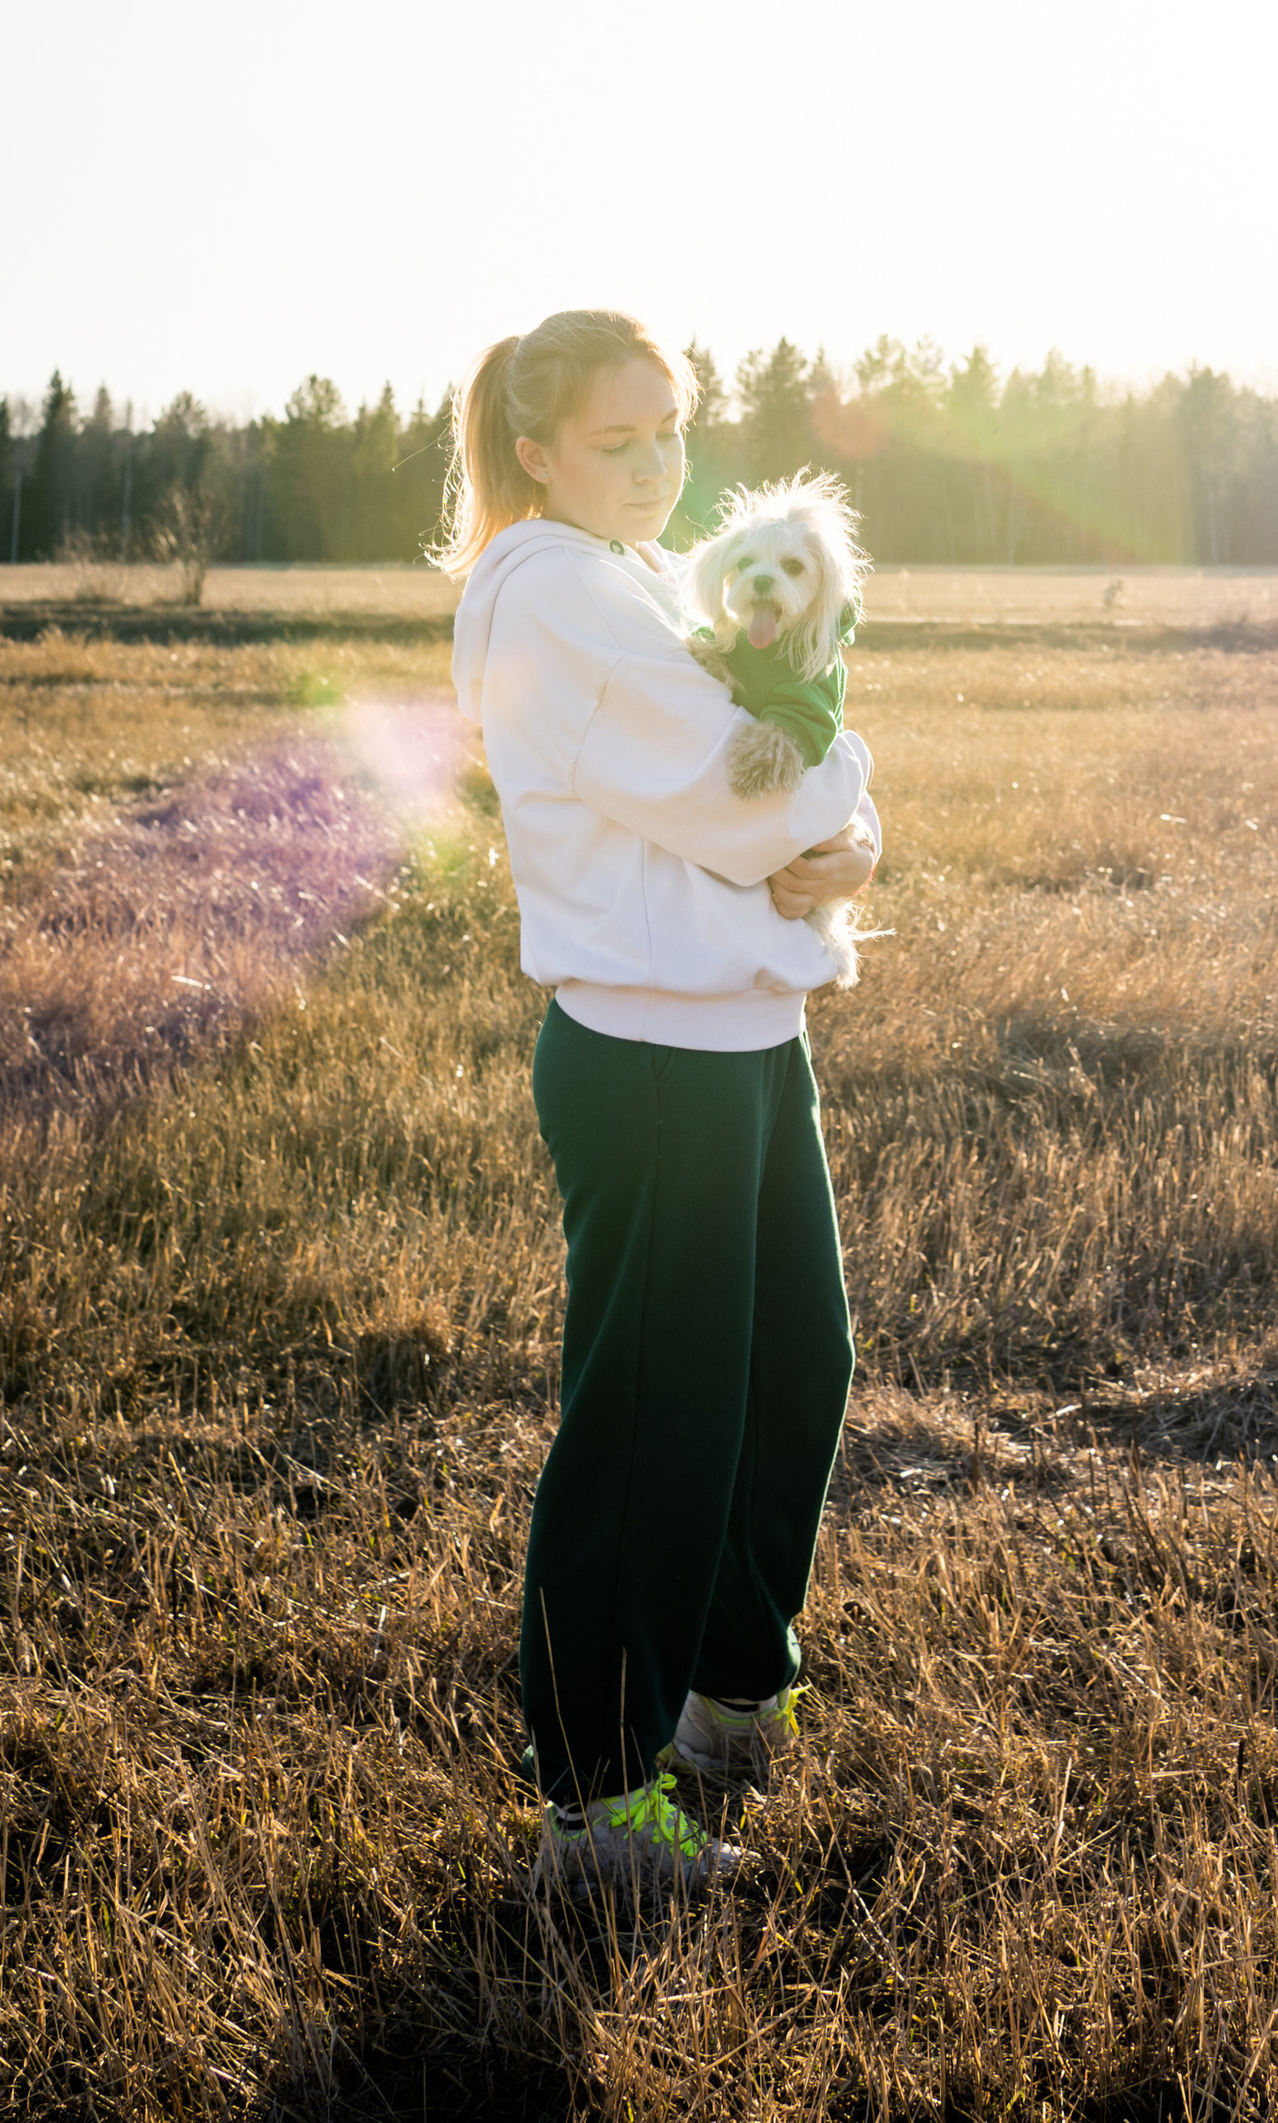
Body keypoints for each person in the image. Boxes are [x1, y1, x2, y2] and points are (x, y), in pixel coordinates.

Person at [443, 308, 882, 1906]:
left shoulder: (622, 581)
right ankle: (598, 1804)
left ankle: (725, 1695)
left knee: (794, 1364)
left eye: (671, 433)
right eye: (619, 441)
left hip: (743, 1032)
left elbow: (790, 755)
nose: (656, 466)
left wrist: (846, 826)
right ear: (539, 448)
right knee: (654, 1427)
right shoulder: (556, 591)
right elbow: (739, 787)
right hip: (649, 1054)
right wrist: (845, 821)